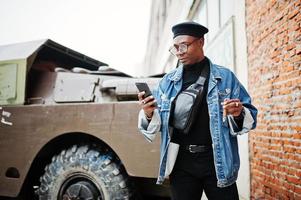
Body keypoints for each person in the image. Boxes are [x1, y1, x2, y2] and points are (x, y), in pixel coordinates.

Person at [137, 21, 257, 200]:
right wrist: (147, 113)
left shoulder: (225, 77)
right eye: (175, 47)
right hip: (181, 164)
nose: (179, 52)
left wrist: (239, 113)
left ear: (201, 42)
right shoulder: (167, 82)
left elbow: (251, 117)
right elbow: (155, 126)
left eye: (184, 45)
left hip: (218, 162)